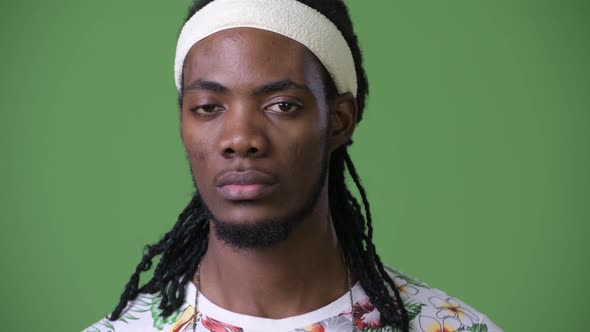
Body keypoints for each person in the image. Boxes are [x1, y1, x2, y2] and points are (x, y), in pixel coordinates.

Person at [85, 0, 502, 331]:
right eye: (209, 107)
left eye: (282, 105)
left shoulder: (451, 327)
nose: (240, 139)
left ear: (339, 120)